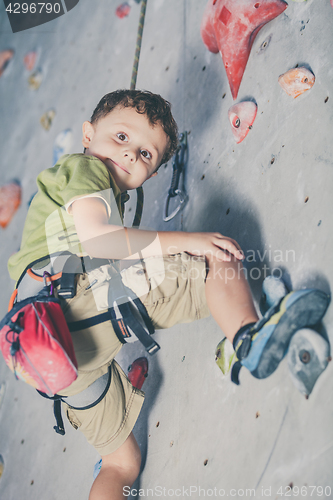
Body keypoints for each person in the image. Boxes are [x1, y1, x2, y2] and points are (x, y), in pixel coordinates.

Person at [7, 89, 330, 500]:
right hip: (76, 303)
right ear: (88, 134)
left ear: (153, 173)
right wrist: (188, 240)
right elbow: (100, 241)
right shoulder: (84, 169)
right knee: (216, 257)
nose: (129, 155)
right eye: (121, 138)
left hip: (51, 353)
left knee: (122, 464)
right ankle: (248, 337)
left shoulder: (85, 185)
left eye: (146, 155)